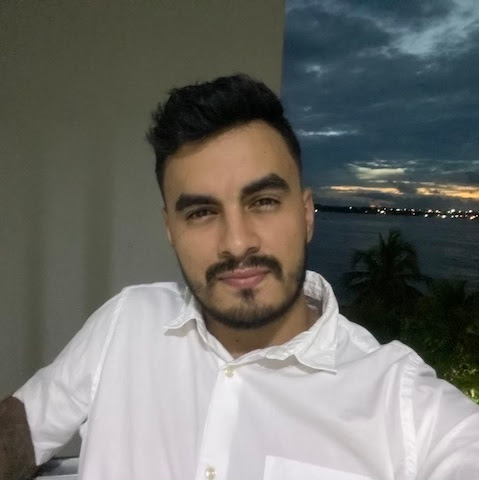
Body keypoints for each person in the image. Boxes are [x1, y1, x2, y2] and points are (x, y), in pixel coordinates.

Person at [1, 74, 478, 480]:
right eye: (201, 212)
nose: (236, 242)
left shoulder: (401, 401)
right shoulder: (128, 320)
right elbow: (22, 430)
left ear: (306, 214)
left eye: (263, 202)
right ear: (170, 229)